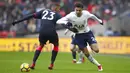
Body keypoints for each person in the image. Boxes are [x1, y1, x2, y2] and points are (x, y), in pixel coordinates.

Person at [12, 4, 61, 70]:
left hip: (42, 31)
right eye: (58, 9)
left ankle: (33, 63)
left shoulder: (44, 11)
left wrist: (17, 21)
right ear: (56, 9)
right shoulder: (58, 15)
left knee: (41, 46)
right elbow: (65, 23)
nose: (59, 10)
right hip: (51, 32)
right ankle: (51, 64)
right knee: (56, 46)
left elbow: (30, 16)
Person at [57, 2, 103, 71]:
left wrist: (99, 21)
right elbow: (58, 21)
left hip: (87, 33)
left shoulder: (86, 13)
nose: (78, 12)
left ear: (82, 9)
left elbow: (92, 16)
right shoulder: (71, 15)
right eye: (76, 10)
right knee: (86, 54)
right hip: (78, 36)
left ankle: (91, 46)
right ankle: (98, 65)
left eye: (79, 10)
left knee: (96, 50)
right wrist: (69, 28)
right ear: (75, 9)